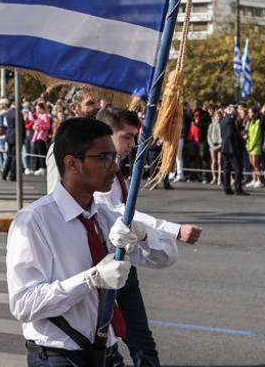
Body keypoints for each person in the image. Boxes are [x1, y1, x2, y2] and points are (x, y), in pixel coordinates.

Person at [7, 118, 179, 367]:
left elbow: (167, 255)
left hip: (105, 353)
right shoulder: (34, 221)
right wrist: (89, 280)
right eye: (104, 158)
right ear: (72, 163)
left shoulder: (105, 216)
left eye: (114, 157)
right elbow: (24, 304)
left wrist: (143, 234)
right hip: (59, 356)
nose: (115, 167)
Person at [95, 107, 201, 366]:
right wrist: (173, 230)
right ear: (108, 135)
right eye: (127, 137)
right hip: (98, 268)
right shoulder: (92, 169)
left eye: (134, 137)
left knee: (142, 341)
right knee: (103, 346)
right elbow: (116, 212)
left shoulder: (114, 165)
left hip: (123, 266)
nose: (133, 144)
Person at [219, 104, 247, 196]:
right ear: (230, 109)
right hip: (232, 147)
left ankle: (227, 188)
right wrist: (240, 133)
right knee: (237, 168)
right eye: (234, 109)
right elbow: (230, 134)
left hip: (225, 147)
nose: (236, 110)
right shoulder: (231, 119)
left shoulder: (223, 119)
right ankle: (238, 188)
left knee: (226, 168)